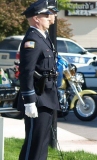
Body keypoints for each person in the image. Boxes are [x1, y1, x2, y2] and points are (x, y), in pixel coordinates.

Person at [17, 1, 59, 159]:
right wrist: (29, 101)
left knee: (42, 143)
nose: (49, 17)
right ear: (36, 18)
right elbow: (26, 72)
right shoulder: (32, 40)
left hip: (46, 97)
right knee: (34, 144)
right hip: (37, 99)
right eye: (45, 15)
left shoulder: (43, 38)